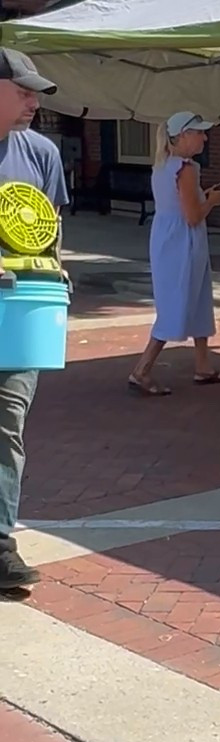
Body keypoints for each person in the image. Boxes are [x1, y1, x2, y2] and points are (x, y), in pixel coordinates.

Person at [0, 49, 70, 593]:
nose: (33, 102)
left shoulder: (41, 153)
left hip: (18, 313)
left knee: (7, 426)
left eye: (35, 93)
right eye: (22, 91)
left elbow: (48, 233)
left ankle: (1, 546)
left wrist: (54, 280)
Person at [129, 112, 220, 395]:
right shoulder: (185, 168)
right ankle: (143, 369)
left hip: (167, 236)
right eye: (199, 132)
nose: (205, 137)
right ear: (184, 135)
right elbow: (193, 216)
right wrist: (211, 201)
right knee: (178, 300)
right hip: (182, 241)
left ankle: (203, 365)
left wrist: (202, 197)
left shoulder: (163, 165)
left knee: (197, 297)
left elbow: (180, 204)